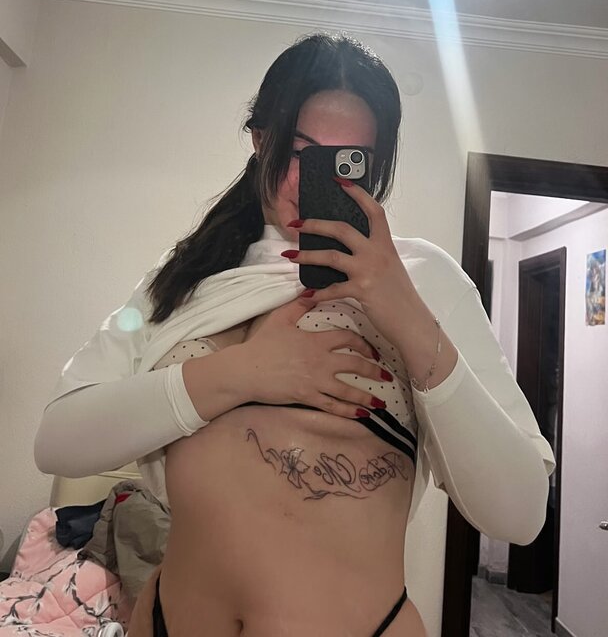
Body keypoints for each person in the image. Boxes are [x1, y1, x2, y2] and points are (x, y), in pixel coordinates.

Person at [34, 32, 556, 637]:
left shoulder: (424, 280)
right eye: (297, 149)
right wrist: (244, 373)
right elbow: (58, 442)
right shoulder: (179, 279)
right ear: (261, 140)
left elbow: (519, 514)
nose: (307, 180)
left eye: (345, 160)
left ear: (373, 166)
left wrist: (408, 316)